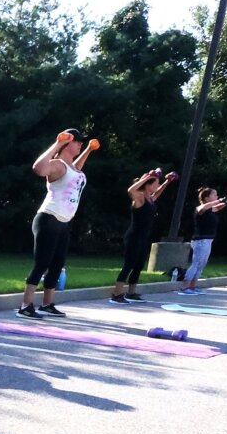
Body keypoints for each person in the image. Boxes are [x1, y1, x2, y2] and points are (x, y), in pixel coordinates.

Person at [19, 129, 94, 318]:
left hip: (62, 222)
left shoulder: (71, 168)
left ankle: (47, 304)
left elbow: (74, 171)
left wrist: (89, 151)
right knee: (42, 263)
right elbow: (38, 168)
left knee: (57, 264)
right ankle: (25, 306)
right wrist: (58, 143)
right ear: (68, 143)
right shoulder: (57, 165)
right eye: (77, 142)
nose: (80, 144)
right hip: (48, 218)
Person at [112, 169, 172, 303]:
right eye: (155, 183)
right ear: (147, 184)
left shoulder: (150, 198)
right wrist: (146, 177)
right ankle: (116, 294)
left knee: (139, 265)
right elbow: (130, 190)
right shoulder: (139, 197)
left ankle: (131, 293)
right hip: (134, 236)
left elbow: (158, 193)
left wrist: (168, 182)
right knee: (129, 264)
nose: (157, 185)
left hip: (143, 237)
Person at [177, 187, 227, 295]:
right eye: (214, 195)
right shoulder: (200, 208)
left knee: (201, 264)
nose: (217, 196)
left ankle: (193, 286)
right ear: (206, 198)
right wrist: (220, 200)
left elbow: (218, 208)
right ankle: (184, 287)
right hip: (200, 240)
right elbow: (205, 206)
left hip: (208, 240)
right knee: (196, 263)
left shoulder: (210, 210)